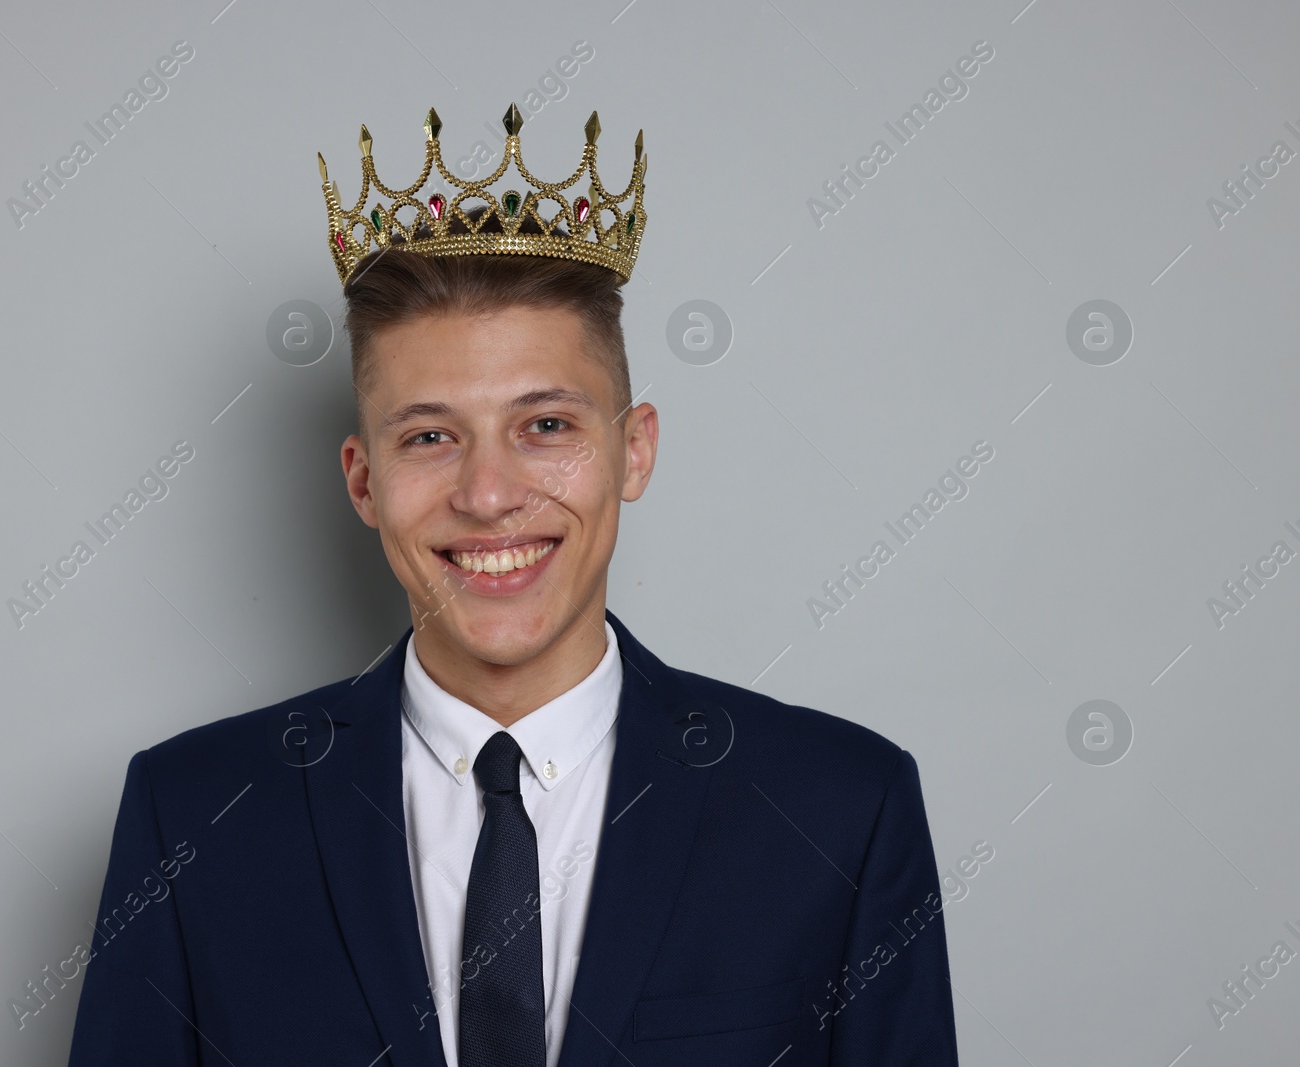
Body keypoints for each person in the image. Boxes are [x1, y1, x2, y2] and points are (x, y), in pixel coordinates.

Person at [66, 105, 959, 1067]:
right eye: (429, 436)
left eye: (546, 426)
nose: (489, 496)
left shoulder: (838, 810)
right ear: (364, 480)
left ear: (635, 449)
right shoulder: (195, 815)